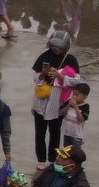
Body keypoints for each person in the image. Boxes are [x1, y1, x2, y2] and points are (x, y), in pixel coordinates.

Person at [28, 31, 78, 162]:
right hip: (41, 101)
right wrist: (43, 74)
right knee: (39, 133)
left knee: (55, 134)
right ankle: (41, 160)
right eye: (54, 46)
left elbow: (76, 81)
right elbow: (35, 78)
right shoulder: (43, 56)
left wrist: (60, 76)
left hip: (58, 103)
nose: (56, 49)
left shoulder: (71, 60)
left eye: (59, 47)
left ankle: (52, 159)